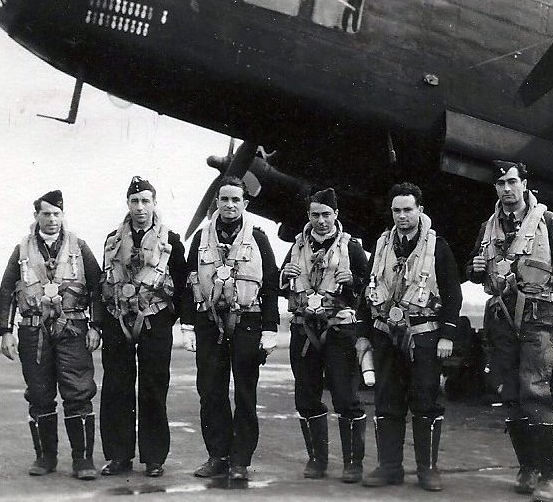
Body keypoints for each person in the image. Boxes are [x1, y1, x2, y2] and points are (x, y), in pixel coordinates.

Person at [466, 161, 553, 501]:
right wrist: (473, 268)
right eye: (500, 183)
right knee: (510, 393)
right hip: (501, 319)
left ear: (524, 183)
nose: (506, 189)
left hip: (540, 317)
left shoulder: (549, 221)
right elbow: (477, 271)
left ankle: (551, 475)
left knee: (537, 391)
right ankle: (528, 467)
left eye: (512, 181)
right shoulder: (488, 226)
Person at [358, 182, 462, 491]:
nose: (402, 216)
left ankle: (427, 469)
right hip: (385, 336)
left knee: (425, 401)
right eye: (397, 210)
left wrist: (447, 336)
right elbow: (368, 290)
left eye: (408, 209)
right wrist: (363, 336)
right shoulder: (380, 246)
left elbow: (453, 295)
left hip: (424, 336)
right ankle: (389, 467)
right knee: (386, 401)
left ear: (420, 210)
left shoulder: (438, 246)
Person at [0, 190, 102, 480]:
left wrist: (96, 326)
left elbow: (96, 286)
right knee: (40, 394)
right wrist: (5, 331)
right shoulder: (21, 250)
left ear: (63, 216)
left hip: (73, 329)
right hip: (33, 330)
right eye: (46, 214)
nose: (52, 219)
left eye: (57, 214)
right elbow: (7, 289)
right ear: (36, 217)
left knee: (78, 392)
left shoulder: (79, 247)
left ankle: (83, 460)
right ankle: (45, 457)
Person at [181, 176, 279, 481]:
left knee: (245, 393)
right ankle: (218, 456)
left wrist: (270, 328)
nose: (230, 205)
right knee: (210, 391)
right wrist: (186, 325)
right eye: (224, 199)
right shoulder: (200, 239)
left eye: (236, 200)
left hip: (247, 322)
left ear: (245, 204)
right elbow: (189, 280)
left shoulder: (259, 239)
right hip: (208, 323)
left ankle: (240, 461)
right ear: (217, 202)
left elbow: (272, 285)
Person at [99, 176, 188, 477]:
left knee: (153, 388)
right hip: (118, 322)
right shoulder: (112, 240)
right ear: (127, 204)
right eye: (135, 201)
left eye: (146, 201)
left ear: (154, 203)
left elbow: (182, 285)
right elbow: (106, 281)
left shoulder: (171, 241)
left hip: (154, 322)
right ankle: (118, 455)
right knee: (116, 388)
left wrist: (166, 319)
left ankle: (154, 458)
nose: (140, 207)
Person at [279, 188, 369, 483]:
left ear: (336, 215)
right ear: (308, 216)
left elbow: (369, 288)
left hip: (339, 329)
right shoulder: (295, 248)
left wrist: (353, 281)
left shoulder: (351, 248)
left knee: (345, 397)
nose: (321, 221)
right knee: (306, 396)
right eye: (315, 215)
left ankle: (353, 463)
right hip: (303, 329)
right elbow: (280, 286)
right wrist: (285, 276)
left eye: (326, 215)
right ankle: (317, 460)